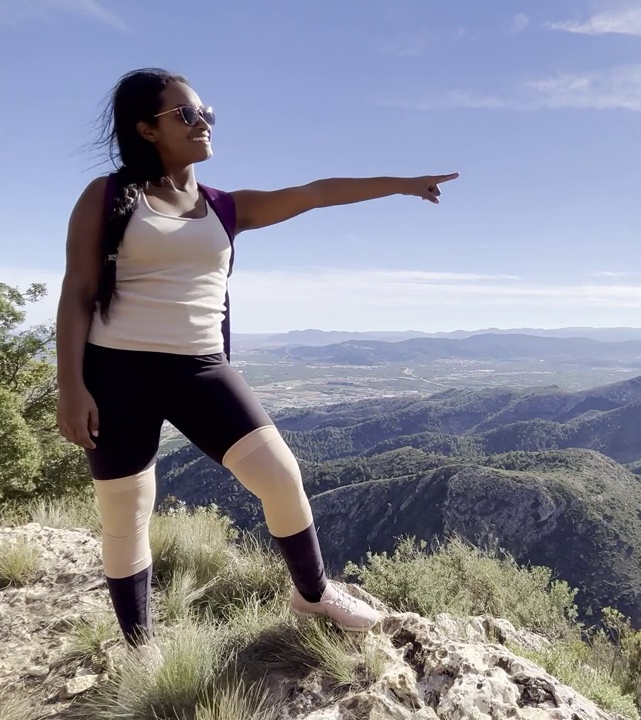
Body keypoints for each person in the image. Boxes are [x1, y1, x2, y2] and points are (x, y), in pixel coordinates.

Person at [54, 67, 457, 651]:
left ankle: (312, 595)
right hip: (118, 370)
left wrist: (402, 183)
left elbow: (318, 192)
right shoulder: (109, 197)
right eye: (186, 115)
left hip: (201, 368)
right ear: (146, 129)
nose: (203, 123)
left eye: (206, 112)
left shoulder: (225, 207)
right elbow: (77, 294)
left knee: (281, 477)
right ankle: (142, 650)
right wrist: (72, 388)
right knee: (127, 513)